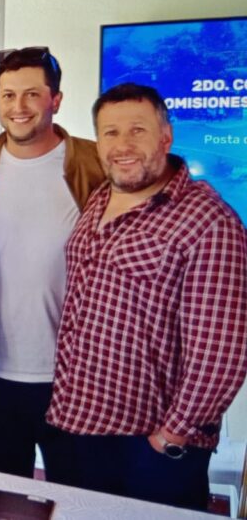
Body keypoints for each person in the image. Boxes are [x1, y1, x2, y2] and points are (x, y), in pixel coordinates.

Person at [46, 83, 247, 510]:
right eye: (111, 133)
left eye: (137, 130)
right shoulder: (100, 198)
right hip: (77, 425)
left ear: (166, 137)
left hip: (147, 446)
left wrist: (173, 435)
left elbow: (222, 351)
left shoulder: (208, 222)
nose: (123, 145)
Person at [0, 47, 105, 478]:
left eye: (32, 94)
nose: (18, 108)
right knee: (4, 499)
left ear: (56, 100)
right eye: (7, 95)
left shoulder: (96, 165)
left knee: (78, 495)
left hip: (76, 377)